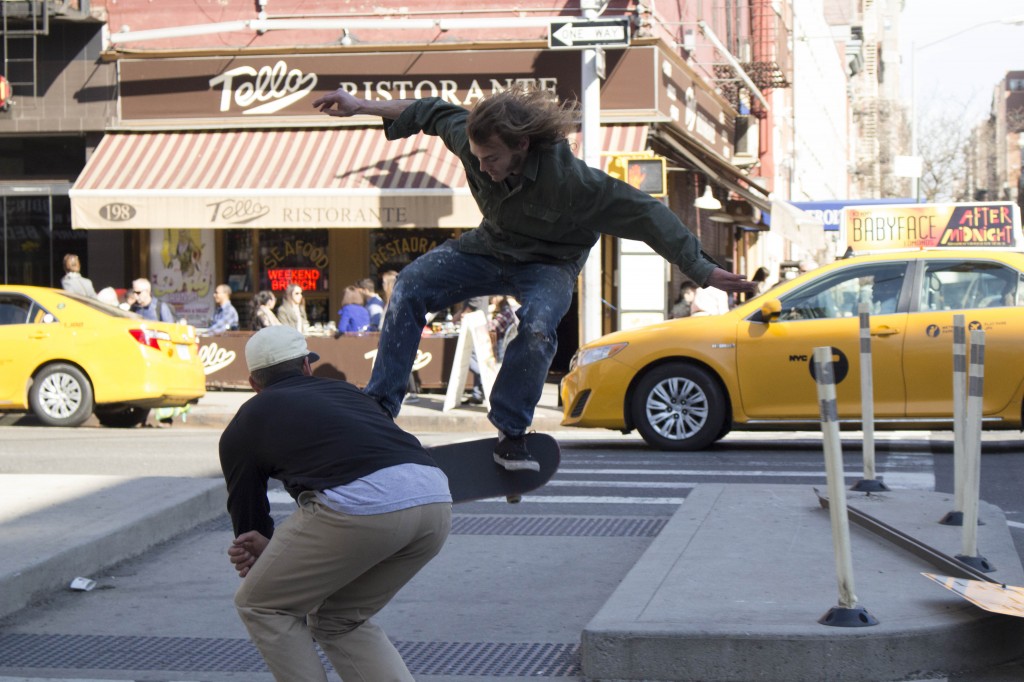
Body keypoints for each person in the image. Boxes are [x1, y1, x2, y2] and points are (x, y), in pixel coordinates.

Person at [312, 85, 756, 472]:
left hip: (550, 264)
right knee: (409, 285)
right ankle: (380, 406)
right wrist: (359, 105)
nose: (482, 167)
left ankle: (511, 431)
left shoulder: (576, 184)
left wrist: (702, 269)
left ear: (521, 146)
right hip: (490, 247)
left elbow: (649, 214)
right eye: (478, 158)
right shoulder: (472, 140)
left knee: (541, 323)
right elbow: (427, 110)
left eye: (492, 159)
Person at [219, 326, 451, 682]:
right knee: (339, 618)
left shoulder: (245, 424)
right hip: (435, 499)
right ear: (307, 367)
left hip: (360, 508)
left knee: (261, 605)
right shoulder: (347, 393)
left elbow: (250, 527)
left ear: (253, 384)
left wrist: (263, 552)